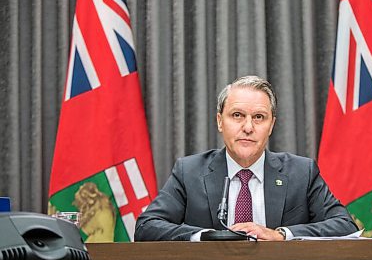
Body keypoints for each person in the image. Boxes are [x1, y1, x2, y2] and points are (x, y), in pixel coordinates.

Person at [135, 75, 357, 241]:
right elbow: (147, 227)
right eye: (237, 115)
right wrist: (205, 237)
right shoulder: (190, 171)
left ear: (271, 125)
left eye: (259, 117)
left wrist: (281, 234)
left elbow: (345, 225)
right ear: (220, 121)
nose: (248, 127)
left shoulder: (301, 172)